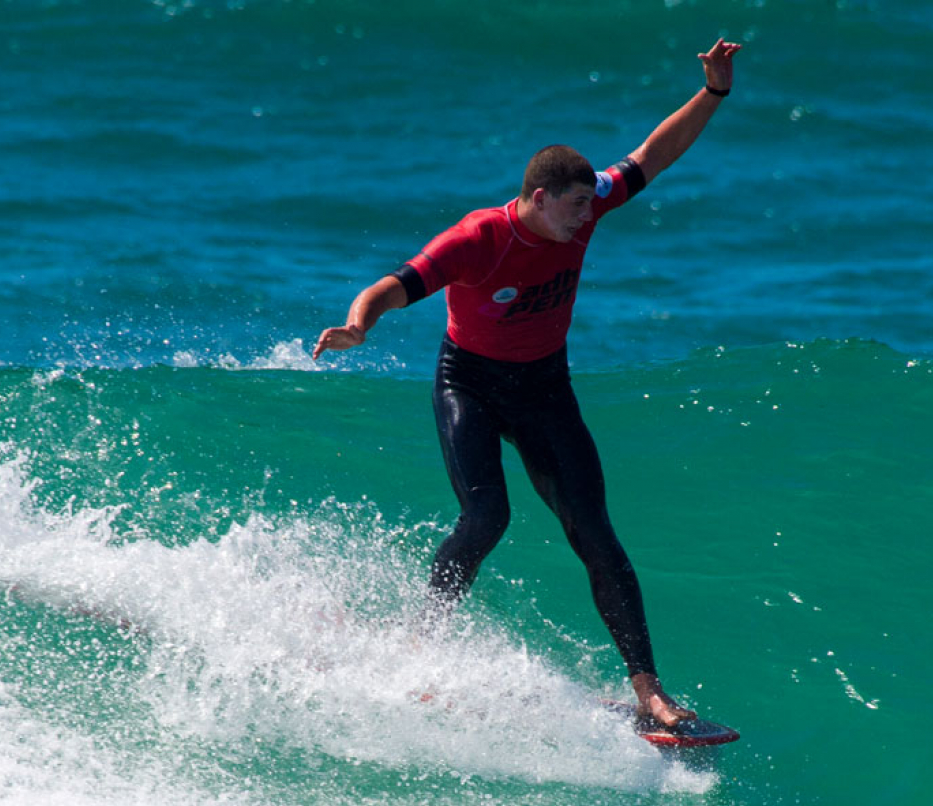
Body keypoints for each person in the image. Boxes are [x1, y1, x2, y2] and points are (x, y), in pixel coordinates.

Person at [314, 38, 742, 727]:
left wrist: (714, 92)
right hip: (470, 384)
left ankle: (648, 689)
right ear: (539, 198)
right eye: (574, 205)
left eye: (588, 203)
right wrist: (359, 325)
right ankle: (420, 641)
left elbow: (653, 156)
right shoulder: (478, 239)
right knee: (487, 517)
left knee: (594, 531)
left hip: (544, 385)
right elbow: (393, 286)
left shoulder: (585, 206)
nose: (587, 216)